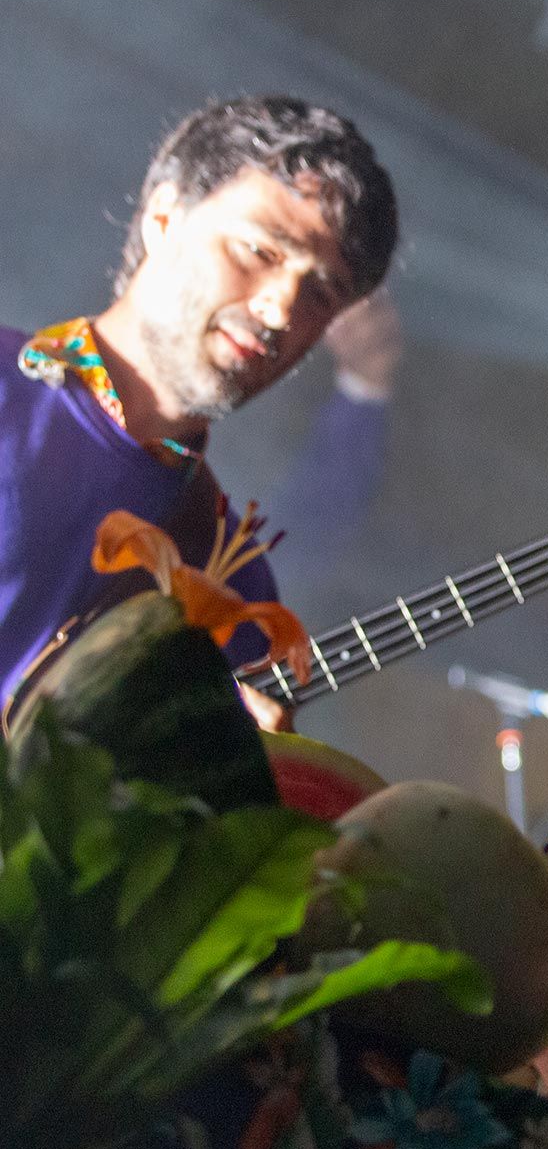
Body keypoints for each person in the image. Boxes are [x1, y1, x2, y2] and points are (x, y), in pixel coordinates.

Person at [0, 95, 399, 715]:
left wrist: (235, 767)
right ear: (163, 219)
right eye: (260, 252)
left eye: (319, 294)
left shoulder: (231, 581)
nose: (279, 310)